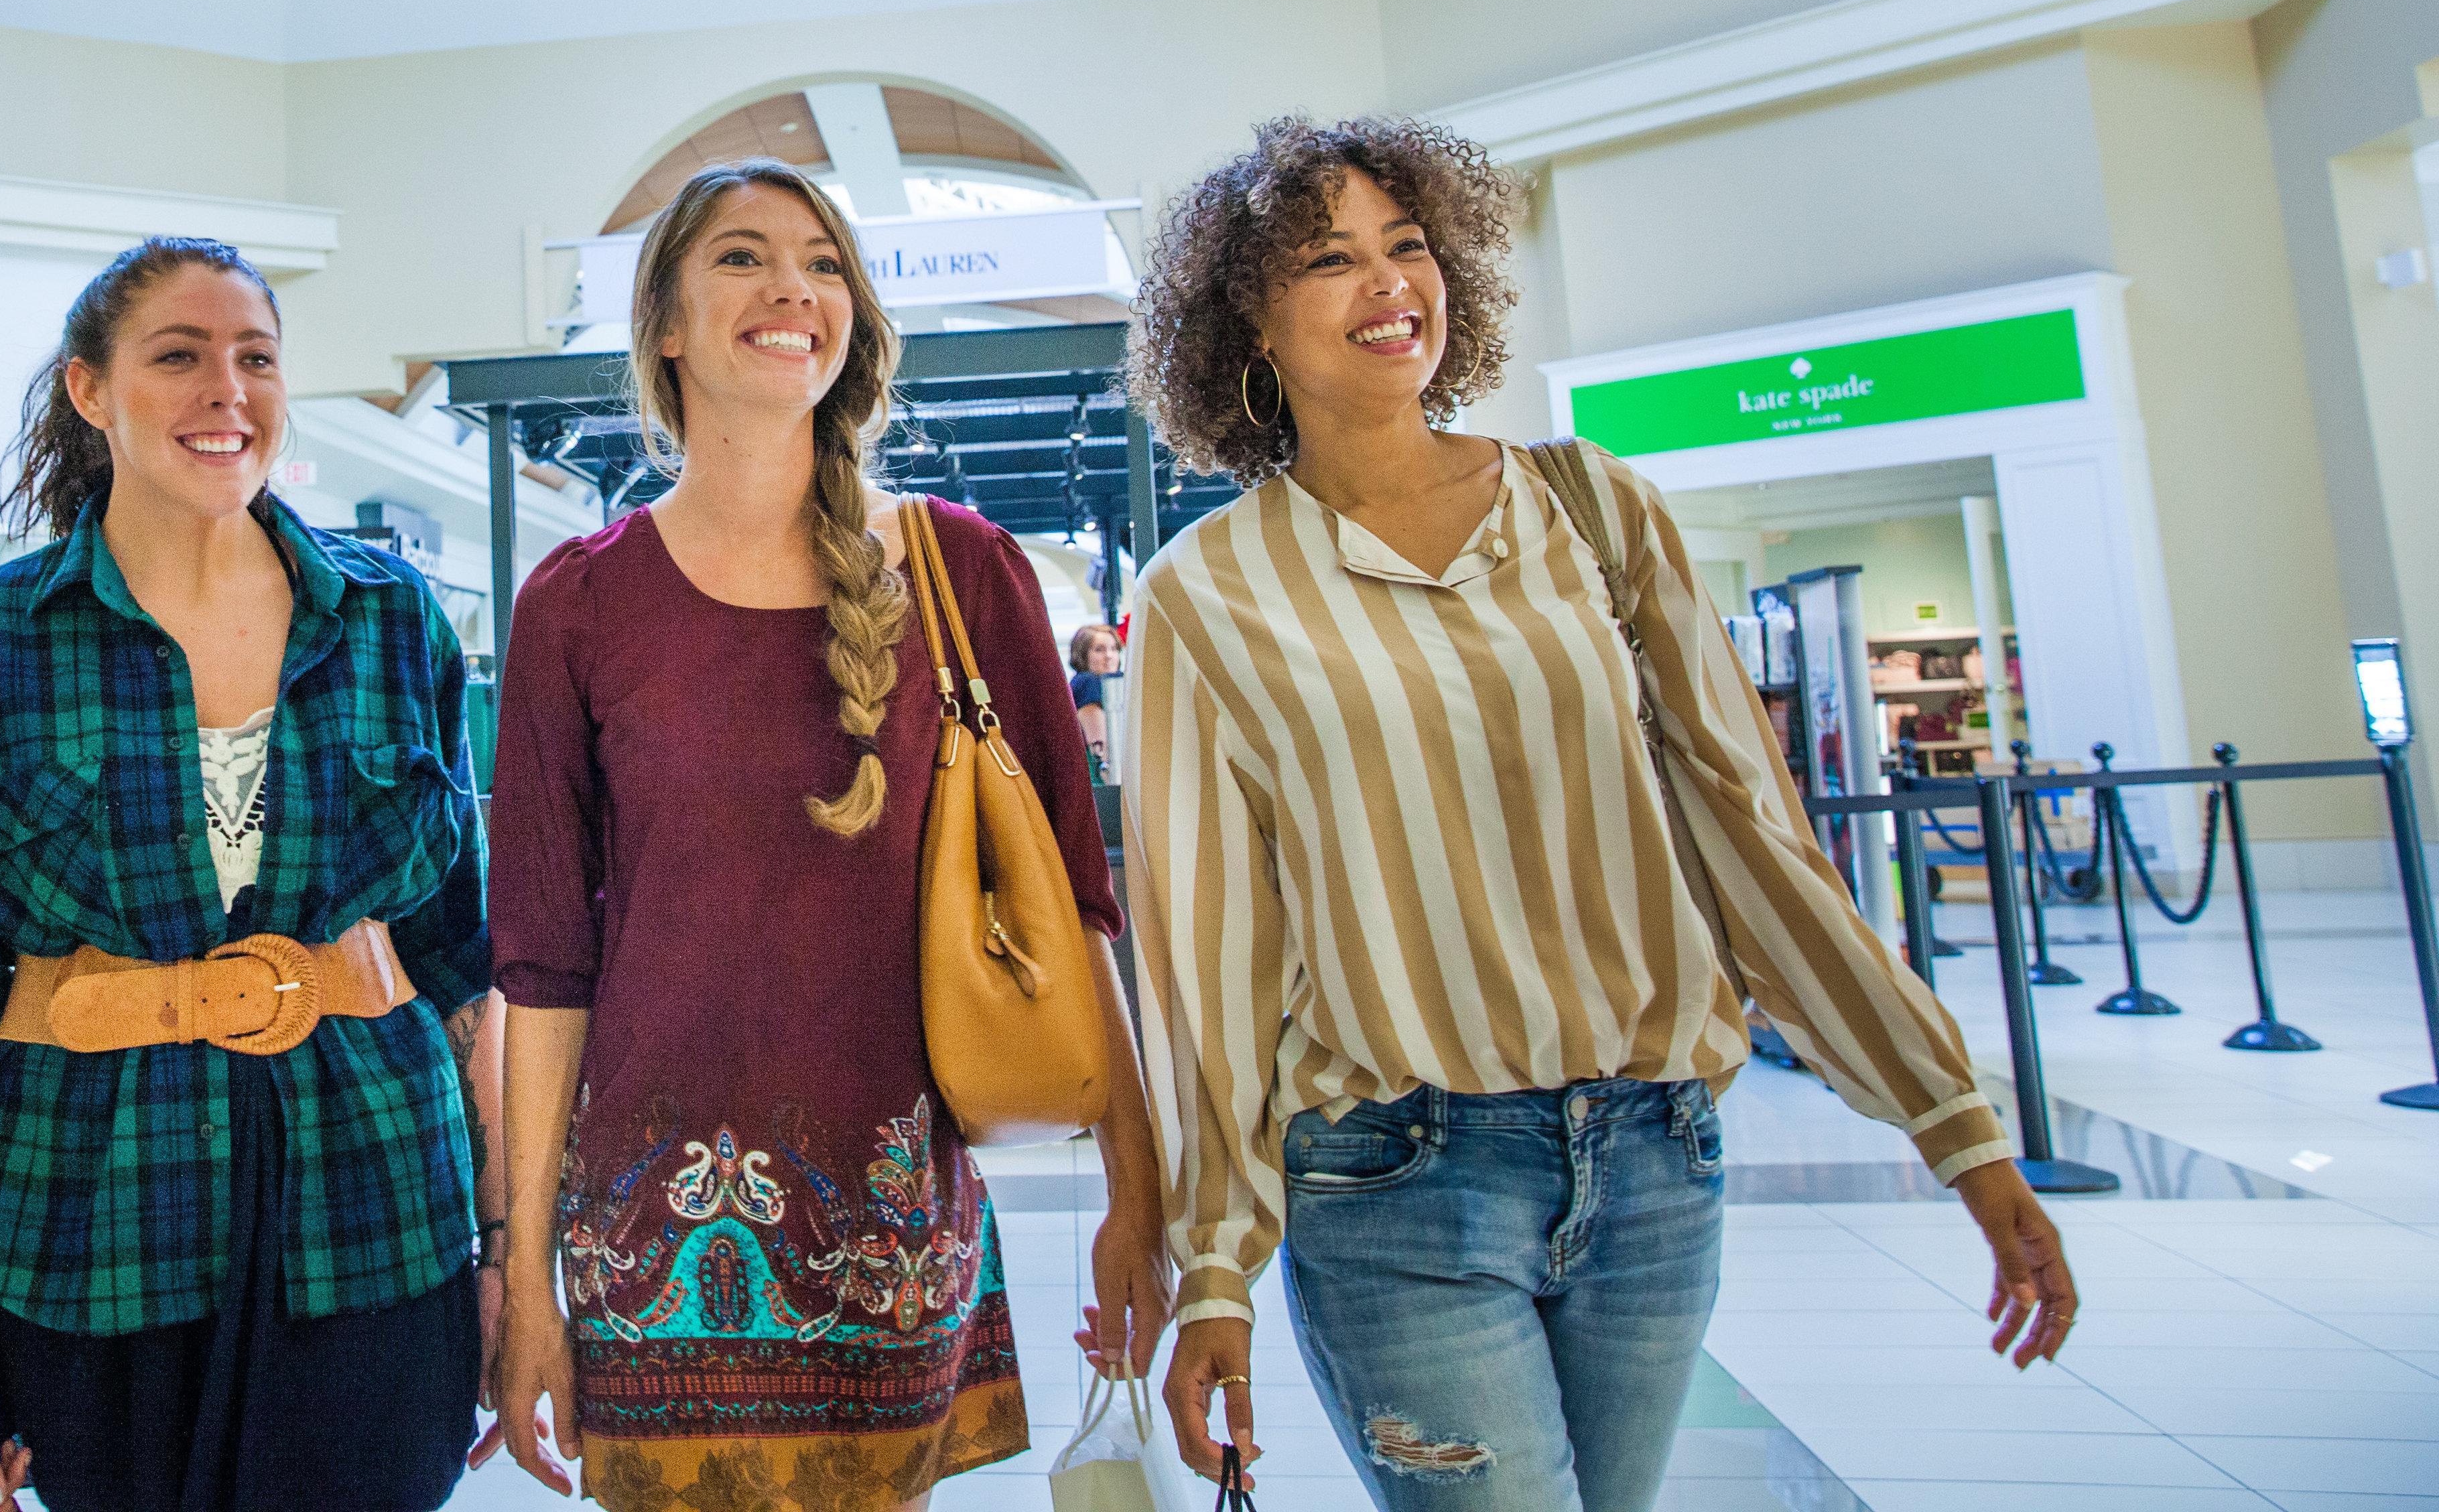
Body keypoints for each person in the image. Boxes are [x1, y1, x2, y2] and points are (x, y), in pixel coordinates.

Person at [1118, 115, 2079, 1512]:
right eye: (1331, 258)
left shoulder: (1595, 509)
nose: (1392, 284)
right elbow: (1209, 958)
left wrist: (1956, 1127)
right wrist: (1214, 1267)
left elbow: (1756, 839)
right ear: (1247, 323)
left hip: (1655, 1158)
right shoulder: (1205, 599)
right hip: (1398, 1179)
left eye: (1408, 245)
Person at [484, 163, 1164, 1512]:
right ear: (666, 324)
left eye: (824, 262)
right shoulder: (576, 604)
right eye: (743, 257)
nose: (793, 285)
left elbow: (1075, 907)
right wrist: (532, 1280)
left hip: (890, 1226)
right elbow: (546, 971)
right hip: (642, 1247)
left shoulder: (964, 572)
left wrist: (1138, 1198)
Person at [0, 236, 497, 1512]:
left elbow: (458, 959)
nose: (227, 388)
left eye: (256, 357)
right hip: (86, 1221)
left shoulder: (394, 621)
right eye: (177, 355)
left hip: (375, 1208)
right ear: (89, 389)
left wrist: (506, 1248)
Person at [1064, 620, 1119, 766]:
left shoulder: (1086, 683)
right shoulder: (1089, 682)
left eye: (1114, 649)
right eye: (1099, 650)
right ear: (1083, 654)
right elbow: (1099, 745)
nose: (1109, 656)